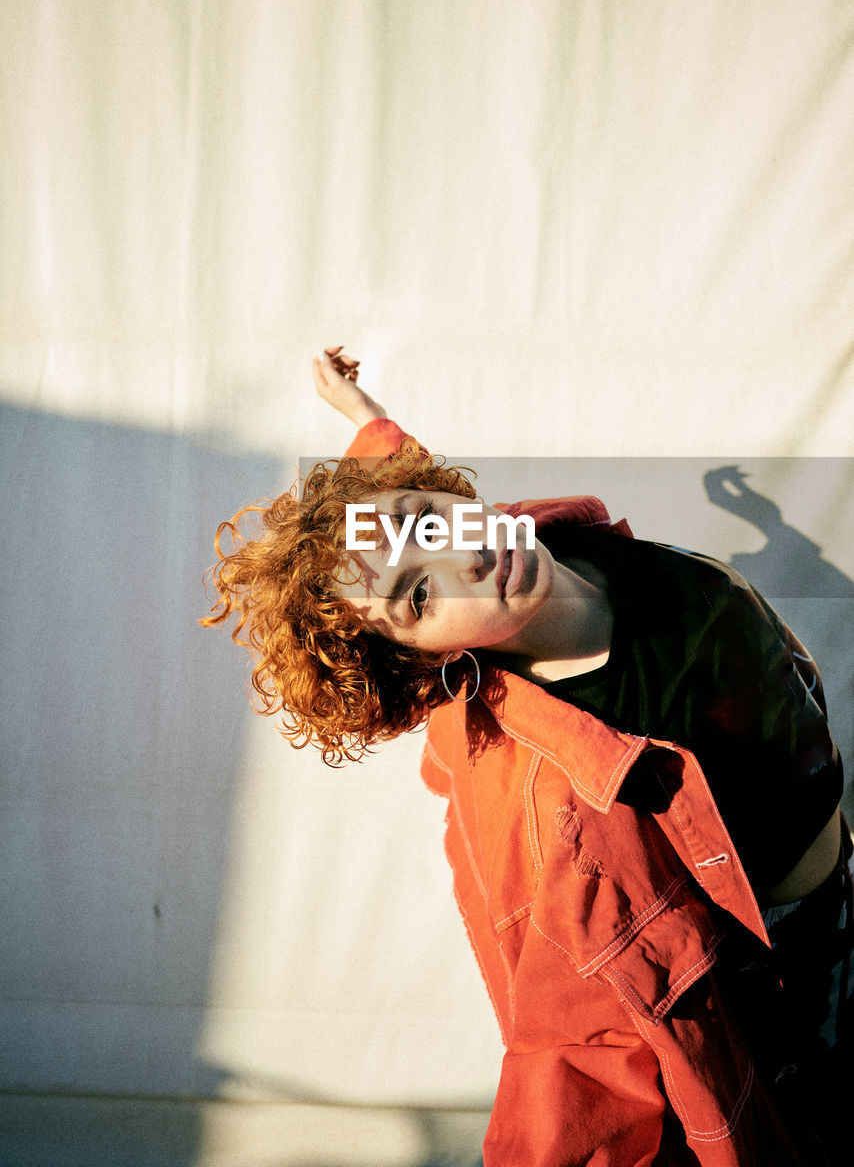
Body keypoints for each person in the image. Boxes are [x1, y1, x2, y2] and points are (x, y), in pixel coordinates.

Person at [202, 347, 852, 1166]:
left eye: (427, 522)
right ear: (423, 663)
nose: (463, 559)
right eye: (421, 596)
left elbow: (395, 491)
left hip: (841, 866)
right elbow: (571, 1045)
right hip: (791, 969)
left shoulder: (535, 544)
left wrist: (362, 415)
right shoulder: (564, 802)